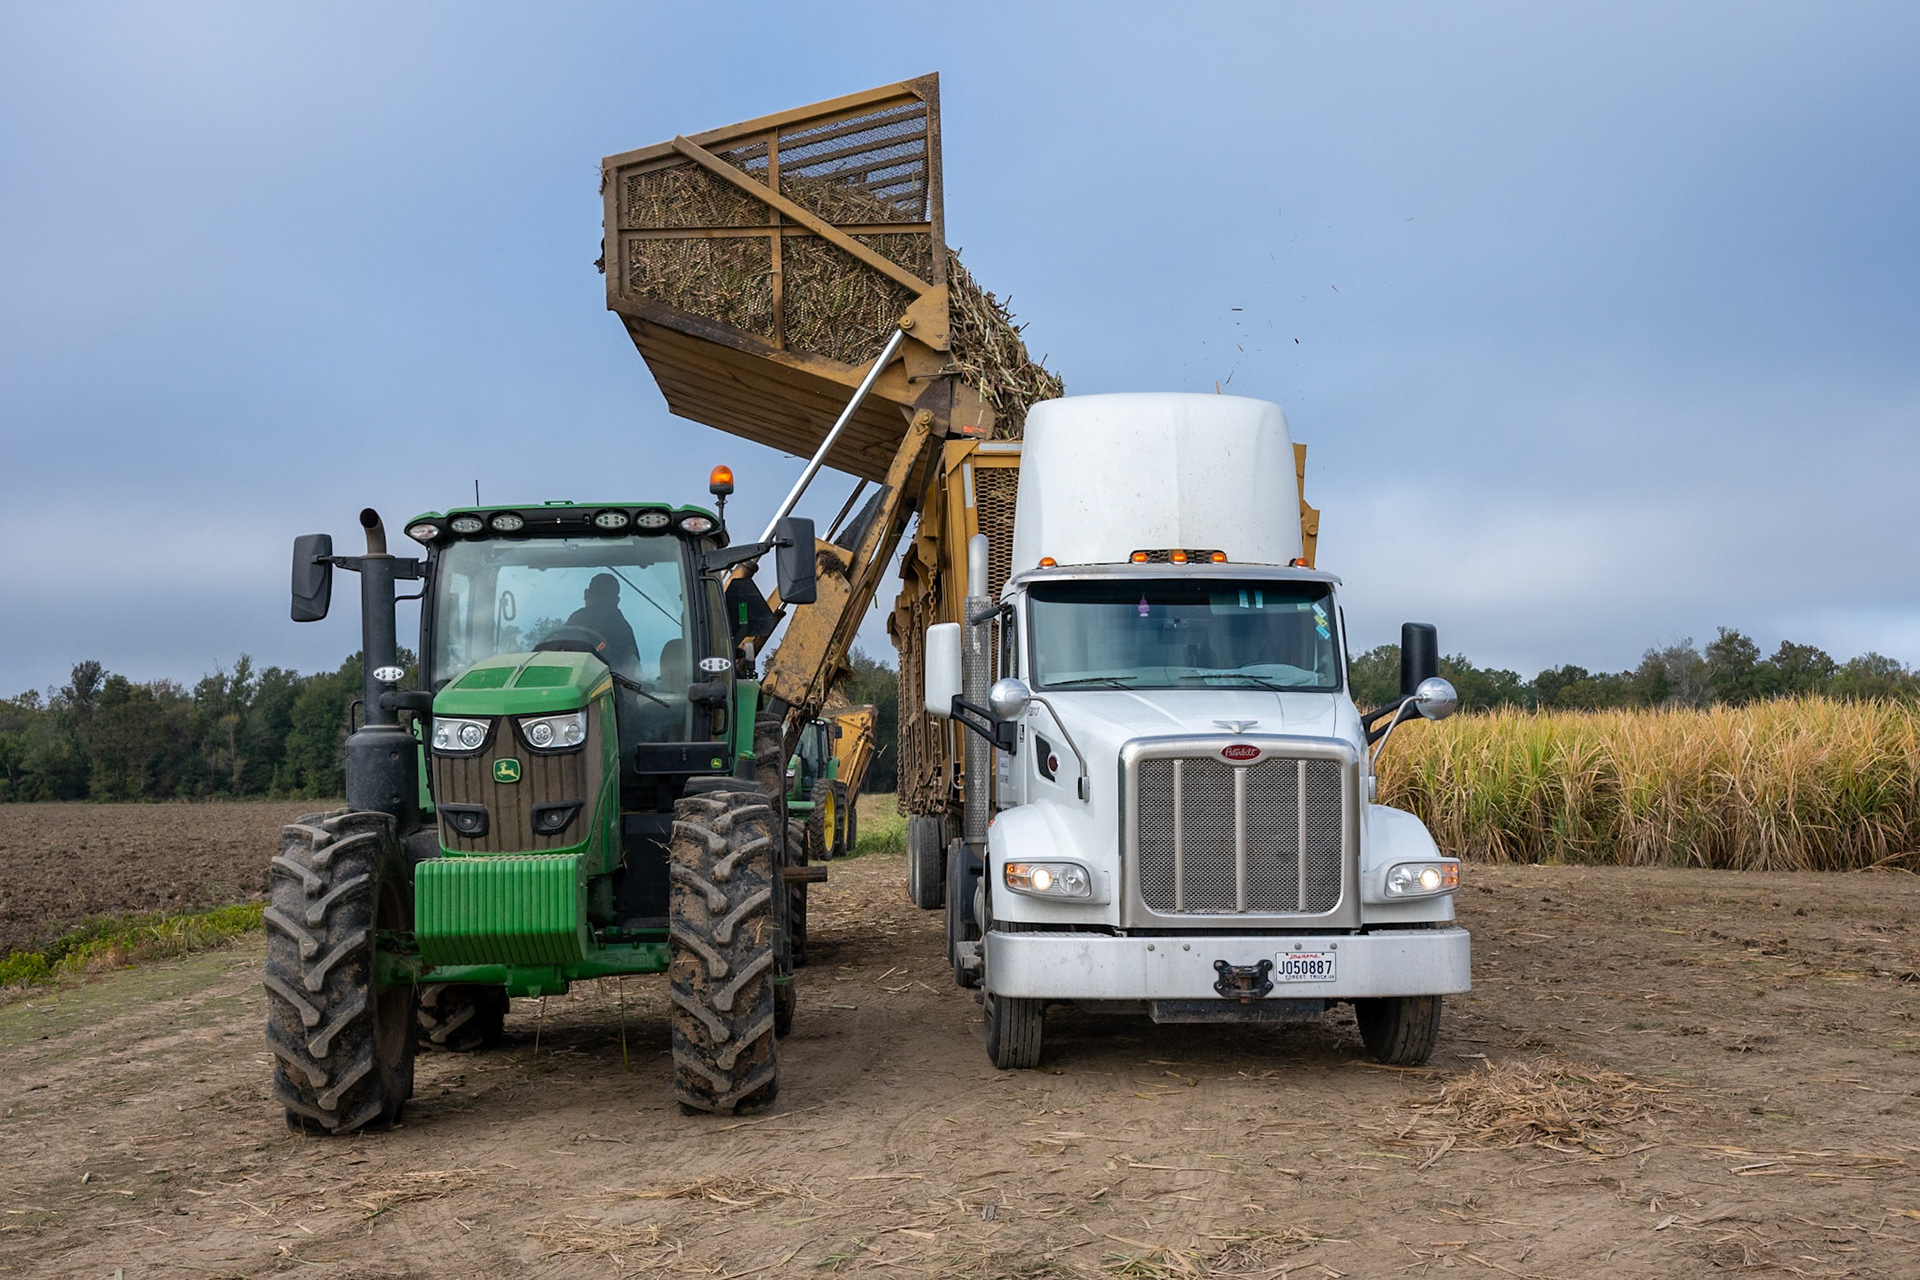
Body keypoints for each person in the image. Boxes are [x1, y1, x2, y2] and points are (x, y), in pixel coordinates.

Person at [565, 573, 642, 675]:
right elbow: (633, 672)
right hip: (614, 687)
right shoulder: (624, 628)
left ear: (586, 594)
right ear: (616, 601)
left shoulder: (576, 619)